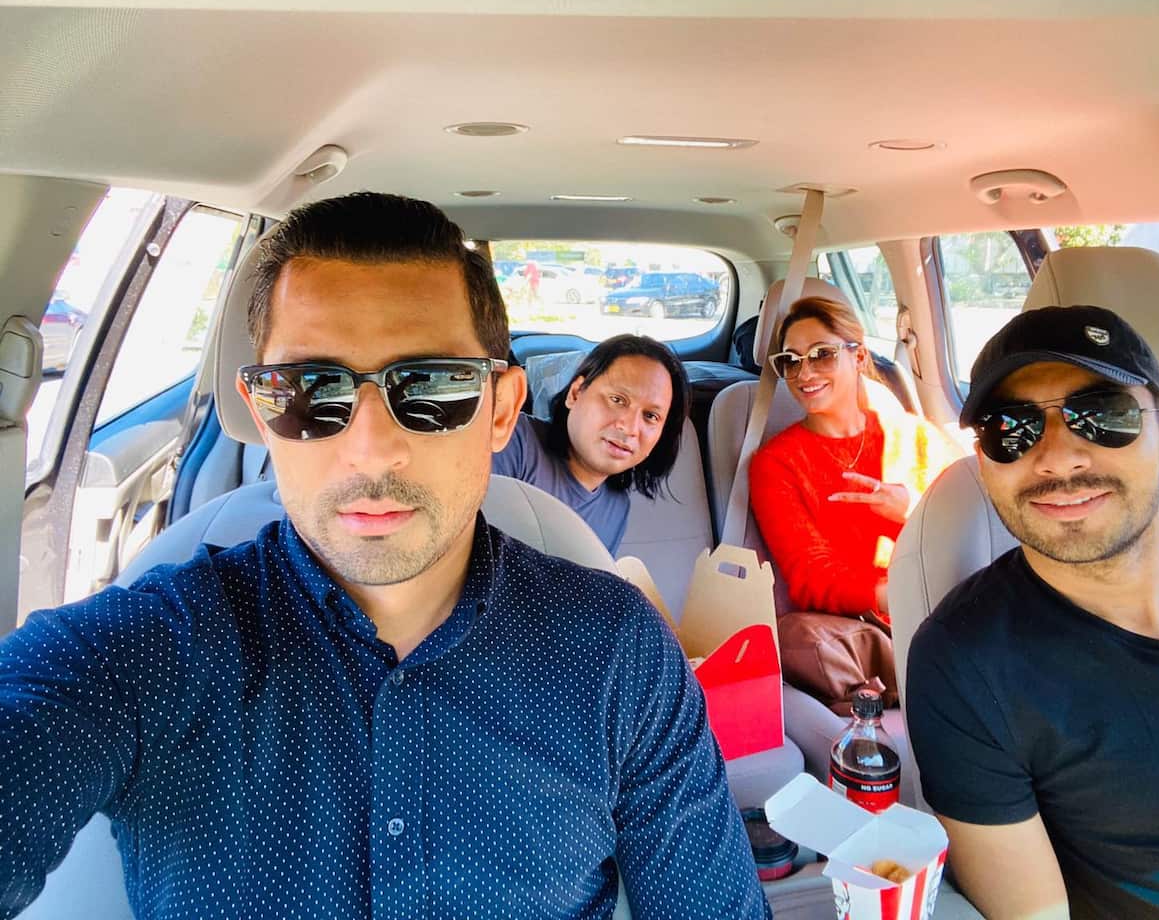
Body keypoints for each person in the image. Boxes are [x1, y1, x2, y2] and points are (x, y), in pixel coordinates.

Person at [0, 192, 769, 919]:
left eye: (430, 386)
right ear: (266, 417)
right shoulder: (146, 649)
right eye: (311, 390)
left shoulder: (616, 650)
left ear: (501, 410)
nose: (372, 450)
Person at [906, 305, 1159, 920]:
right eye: (1012, 429)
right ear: (986, 465)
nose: (1058, 459)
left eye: (1103, 416)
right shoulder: (967, 663)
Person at [750, 296, 960, 621]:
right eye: (791, 361)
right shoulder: (776, 464)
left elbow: (972, 525)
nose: (804, 373)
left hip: (954, 602)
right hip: (873, 625)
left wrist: (914, 511)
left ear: (859, 356)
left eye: (822, 355)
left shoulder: (918, 438)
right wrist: (906, 595)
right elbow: (812, 576)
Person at [492, 335, 690, 556]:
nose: (630, 428)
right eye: (617, 400)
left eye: (651, 416)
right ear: (576, 393)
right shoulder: (514, 442)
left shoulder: (615, 508)